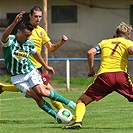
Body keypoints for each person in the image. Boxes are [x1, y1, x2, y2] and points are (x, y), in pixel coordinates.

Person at [1, 11, 76, 123]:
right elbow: (4, 36)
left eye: (29, 35)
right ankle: (56, 116)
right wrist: (14, 22)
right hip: (17, 77)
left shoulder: (29, 43)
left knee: (42, 91)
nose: (28, 38)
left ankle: (69, 103)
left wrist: (46, 65)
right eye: (26, 35)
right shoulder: (10, 41)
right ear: (19, 31)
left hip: (30, 71)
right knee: (36, 97)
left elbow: (36, 53)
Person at [62, 22, 133, 129]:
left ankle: (78, 121)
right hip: (120, 76)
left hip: (104, 77)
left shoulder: (105, 42)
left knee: (81, 101)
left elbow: (90, 52)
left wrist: (91, 70)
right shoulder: (128, 43)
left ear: (116, 34)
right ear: (128, 35)